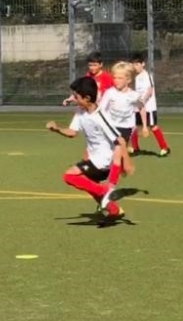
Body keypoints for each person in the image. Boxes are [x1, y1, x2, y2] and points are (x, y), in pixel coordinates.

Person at [46, 76, 124, 218]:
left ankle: (104, 192)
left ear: (87, 98)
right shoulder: (81, 113)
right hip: (94, 159)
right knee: (89, 184)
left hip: (104, 162)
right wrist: (57, 129)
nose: (74, 99)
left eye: (76, 97)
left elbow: (119, 143)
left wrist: (113, 179)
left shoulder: (101, 116)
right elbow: (72, 132)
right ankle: (114, 210)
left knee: (69, 176)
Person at [97, 61, 140, 188]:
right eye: (114, 77)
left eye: (120, 78)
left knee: (117, 154)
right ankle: (113, 174)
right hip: (111, 127)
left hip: (125, 129)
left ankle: (111, 184)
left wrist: (140, 125)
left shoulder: (134, 95)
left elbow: (140, 109)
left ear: (128, 79)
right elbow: (101, 109)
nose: (116, 80)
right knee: (109, 155)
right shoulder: (110, 93)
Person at [130, 54, 170, 157]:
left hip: (149, 108)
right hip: (139, 107)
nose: (135, 67)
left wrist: (143, 100)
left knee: (153, 127)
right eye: (133, 64)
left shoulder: (147, 75)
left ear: (143, 64)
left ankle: (164, 148)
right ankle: (135, 148)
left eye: (137, 64)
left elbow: (150, 90)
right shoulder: (137, 77)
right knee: (133, 126)